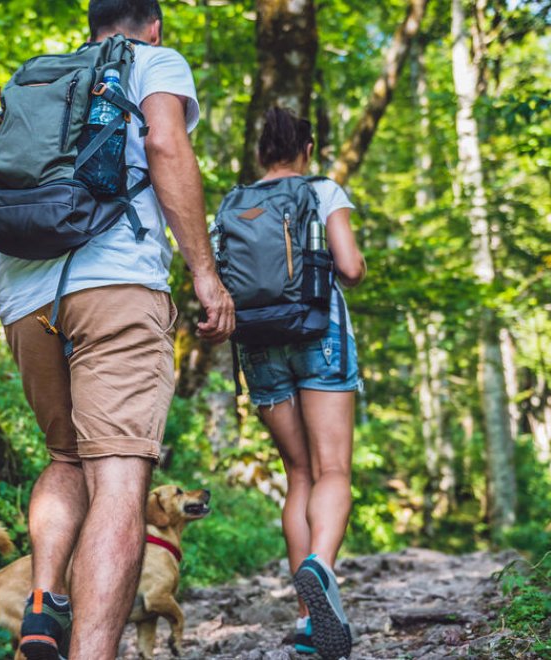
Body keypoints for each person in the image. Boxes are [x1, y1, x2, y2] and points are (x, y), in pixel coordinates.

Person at [0, 1, 234, 657]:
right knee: (119, 476)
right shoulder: (153, 61)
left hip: (22, 295)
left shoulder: (35, 79)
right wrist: (205, 272)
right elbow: (166, 145)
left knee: (67, 458)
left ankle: (43, 601)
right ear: (153, 24)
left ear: (92, 25)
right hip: (115, 286)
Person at [237, 107, 364, 659]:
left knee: (298, 475)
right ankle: (321, 565)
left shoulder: (236, 202)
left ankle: (309, 619)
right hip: (319, 332)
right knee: (333, 469)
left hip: (259, 341)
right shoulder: (322, 189)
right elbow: (351, 267)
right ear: (306, 149)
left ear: (262, 152)